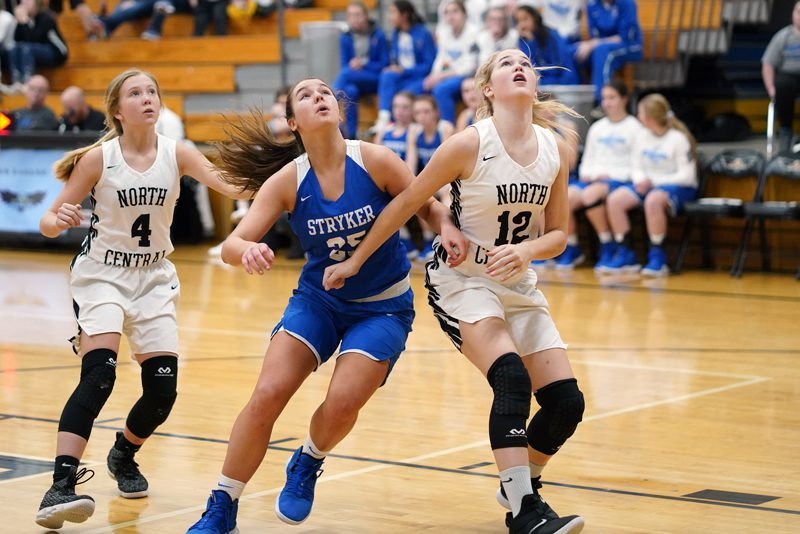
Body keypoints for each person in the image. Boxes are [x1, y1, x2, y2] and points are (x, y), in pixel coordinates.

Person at [186, 78, 467, 533]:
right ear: (294, 122)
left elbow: (426, 204)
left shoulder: (374, 159)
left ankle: (308, 459)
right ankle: (222, 504)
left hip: (383, 307)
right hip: (318, 301)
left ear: (338, 110)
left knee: (341, 403)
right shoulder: (287, 181)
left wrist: (445, 227)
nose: (320, 96)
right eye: (306, 94)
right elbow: (232, 244)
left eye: (325, 92)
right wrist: (248, 252)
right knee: (267, 395)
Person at [323, 49, 585, 534]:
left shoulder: (555, 146)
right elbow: (407, 201)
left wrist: (527, 252)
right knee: (510, 378)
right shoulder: (468, 144)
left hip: (518, 282)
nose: (520, 67)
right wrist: (355, 261)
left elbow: (559, 235)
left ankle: (519, 481)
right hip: (463, 279)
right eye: (506, 64)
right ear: (488, 89)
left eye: (524, 62)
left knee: (567, 404)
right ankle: (524, 511)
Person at [33, 69, 249, 530]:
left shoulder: (178, 153)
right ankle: (60, 486)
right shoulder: (98, 159)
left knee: (162, 391)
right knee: (99, 376)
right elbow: (48, 221)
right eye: (136, 93)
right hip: (103, 278)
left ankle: (123, 454)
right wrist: (61, 218)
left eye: (152, 91)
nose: (147, 98)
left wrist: (288, 174)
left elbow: (235, 188)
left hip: (153, 279)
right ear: (117, 110)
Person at [604, 93, 698, 276]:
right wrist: (639, 180)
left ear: (650, 117)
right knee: (615, 199)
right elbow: (635, 166)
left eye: (640, 113)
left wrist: (653, 182)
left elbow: (687, 176)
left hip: (678, 186)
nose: (638, 117)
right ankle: (625, 254)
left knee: (653, 200)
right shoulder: (642, 136)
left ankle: (657, 255)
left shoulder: (678, 139)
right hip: (648, 185)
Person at [562, 80, 641, 270]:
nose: (607, 103)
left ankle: (609, 245)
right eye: (604, 98)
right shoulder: (598, 127)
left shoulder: (635, 127)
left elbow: (638, 164)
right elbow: (588, 160)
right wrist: (589, 174)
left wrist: (611, 175)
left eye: (612, 98)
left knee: (590, 195)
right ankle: (572, 248)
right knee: (563, 198)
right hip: (595, 180)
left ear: (624, 99)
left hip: (621, 180)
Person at [373, 0, 435, 133]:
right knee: (387, 75)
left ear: (404, 15)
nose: (390, 17)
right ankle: (384, 118)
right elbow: (396, 59)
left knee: (401, 96)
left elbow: (428, 65)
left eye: (393, 12)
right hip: (403, 76)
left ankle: (400, 128)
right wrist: (395, 68)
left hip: (419, 77)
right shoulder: (396, 34)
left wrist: (404, 70)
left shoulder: (423, 33)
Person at [333, 0, 390, 139]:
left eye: (358, 15)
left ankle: (331, 100)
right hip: (356, 79)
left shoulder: (378, 34)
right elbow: (345, 64)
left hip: (375, 78)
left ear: (366, 16)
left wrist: (364, 64)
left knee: (346, 75)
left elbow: (385, 64)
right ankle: (351, 135)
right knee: (350, 90)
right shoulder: (345, 37)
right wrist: (354, 66)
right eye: (351, 15)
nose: (354, 19)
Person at [573, 0, 643, 102]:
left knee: (602, 51)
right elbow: (595, 36)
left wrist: (593, 43)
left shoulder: (626, 3)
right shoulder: (592, 4)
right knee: (573, 51)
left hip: (630, 46)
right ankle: (574, 100)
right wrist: (591, 44)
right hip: (602, 46)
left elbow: (625, 37)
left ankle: (601, 101)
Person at [423, 0, 480, 124]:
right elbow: (441, 57)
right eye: (447, 13)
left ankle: (447, 128)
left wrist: (440, 76)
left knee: (441, 90)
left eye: (455, 11)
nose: (451, 16)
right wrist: (433, 75)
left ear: (464, 14)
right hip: (449, 74)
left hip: (467, 76)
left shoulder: (474, 32)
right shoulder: (444, 32)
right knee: (423, 86)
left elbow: (469, 66)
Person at [762, 0, 800, 154]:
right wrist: (771, 89)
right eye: (798, 12)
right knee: (782, 85)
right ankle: (785, 131)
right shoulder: (783, 36)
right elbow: (768, 64)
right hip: (788, 78)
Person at [515, 4, 579, 86]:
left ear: (535, 18)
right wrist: (531, 42)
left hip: (562, 79)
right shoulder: (524, 39)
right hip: (544, 81)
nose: (522, 25)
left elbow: (558, 66)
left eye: (525, 19)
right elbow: (531, 67)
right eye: (518, 21)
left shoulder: (552, 35)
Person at [10, 0, 68, 86]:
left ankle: (27, 82)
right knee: (15, 48)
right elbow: (17, 39)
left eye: (27, 2)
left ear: (37, 3)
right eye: (22, 3)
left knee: (26, 48)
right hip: (36, 51)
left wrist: (25, 21)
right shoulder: (25, 19)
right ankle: (16, 81)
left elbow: (35, 39)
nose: (24, 5)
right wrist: (20, 23)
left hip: (56, 52)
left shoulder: (46, 16)